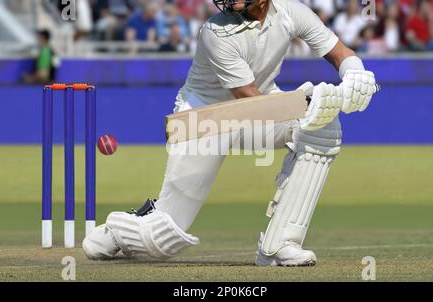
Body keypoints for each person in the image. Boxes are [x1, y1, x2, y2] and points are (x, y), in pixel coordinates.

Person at [82, 0, 377, 267]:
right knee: (162, 239)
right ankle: (114, 232)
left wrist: (355, 75)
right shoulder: (215, 31)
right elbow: (248, 97)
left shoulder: (291, 11)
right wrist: (311, 102)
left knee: (323, 126)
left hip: (257, 112)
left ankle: (280, 246)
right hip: (204, 119)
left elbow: (340, 53)